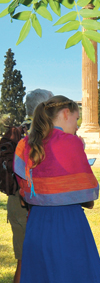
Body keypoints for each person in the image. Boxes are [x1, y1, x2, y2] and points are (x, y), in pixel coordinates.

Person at [13, 95, 100, 283]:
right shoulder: (71, 143)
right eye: (76, 118)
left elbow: (23, 189)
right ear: (65, 113)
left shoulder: (24, 144)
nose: (77, 125)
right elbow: (91, 193)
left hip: (36, 223)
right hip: (68, 222)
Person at [7, 88, 53, 283]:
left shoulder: (14, 132)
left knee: (22, 261)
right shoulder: (46, 137)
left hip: (15, 202)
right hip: (38, 204)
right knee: (46, 261)